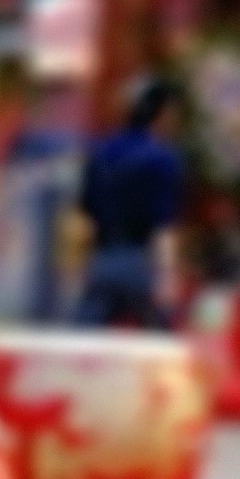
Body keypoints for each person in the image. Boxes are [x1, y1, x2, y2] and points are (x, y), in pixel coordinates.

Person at [78, 78, 188, 329]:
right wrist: (167, 276)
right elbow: (163, 225)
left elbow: (84, 215)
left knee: (85, 340)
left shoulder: (100, 152)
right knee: (158, 345)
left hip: (102, 260)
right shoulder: (163, 158)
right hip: (142, 263)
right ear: (159, 114)